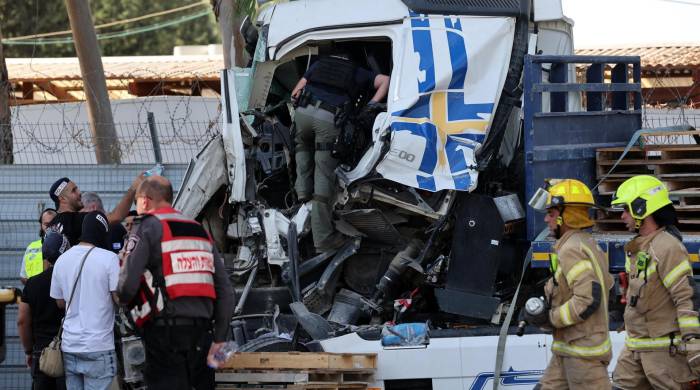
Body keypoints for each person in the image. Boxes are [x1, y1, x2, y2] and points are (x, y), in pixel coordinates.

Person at [117, 176, 235, 390]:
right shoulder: (200, 232)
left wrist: (131, 309)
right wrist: (219, 339)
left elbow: (127, 285)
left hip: (165, 335)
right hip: (202, 336)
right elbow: (225, 292)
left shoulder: (147, 227)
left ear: (144, 200)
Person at [290, 44, 390, 253]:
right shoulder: (357, 71)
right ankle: (323, 239)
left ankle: (301, 195)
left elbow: (295, 93)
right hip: (328, 120)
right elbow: (385, 81)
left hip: (302, 114)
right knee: (323, 179)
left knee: (302, 149)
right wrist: (371, 105)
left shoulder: (318, 65)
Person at [610, 175, 699, 389]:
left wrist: (694, 345)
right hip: (634, 354)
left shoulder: (667, 247)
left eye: (626, 209)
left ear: (642, 209)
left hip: (664, 359)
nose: (622, 216)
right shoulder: (640, 248)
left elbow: (686, 298)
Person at [527, 179, 614, 389]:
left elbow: (587, 298)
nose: (547, 219)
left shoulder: (571, 249)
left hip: (582, 356)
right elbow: (607, 286)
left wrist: (551, 318)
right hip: (568, 350)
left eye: (552, 213)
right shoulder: (584, 243)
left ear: (566, 216)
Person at [50, 211, 120, 390]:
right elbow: (118, 299)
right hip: (99, 345)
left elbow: (59, 303)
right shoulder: (109, 258)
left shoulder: (61, 260)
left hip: (70, 346)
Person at [17, 231, 70, 390]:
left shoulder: (32, 284)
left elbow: (22, 321)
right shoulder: (72, 281)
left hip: (42, 354)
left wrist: (28, 350)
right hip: (69, 351)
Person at [47, 173, 143, 247]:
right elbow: (116, 216)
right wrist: (133, 188)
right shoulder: (77, 220)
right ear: (62, 199)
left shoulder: (50, 227)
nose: (79, 193)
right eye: (74, 190)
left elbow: (46, 262)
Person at [20, 208, 57, 284]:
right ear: (41, 225)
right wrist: (34, 286)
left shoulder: (65, 246)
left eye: (52, 224)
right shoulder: (31, 247)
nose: (49, 228)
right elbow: (23, 276)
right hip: (33, 293)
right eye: (46, 224)